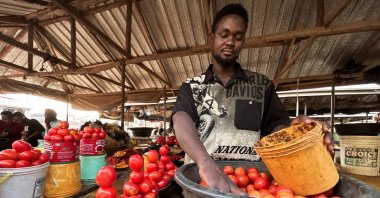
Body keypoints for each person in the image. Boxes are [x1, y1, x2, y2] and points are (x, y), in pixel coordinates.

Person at [171, 4, 333, 195]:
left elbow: (276, 127)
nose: (231, 42)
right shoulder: (192, 86)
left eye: (238, 37)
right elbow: (181, 119)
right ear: (211, 38)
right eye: (224, 35)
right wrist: (205, 162)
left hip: (251, 184)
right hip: (201, 183)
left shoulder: (262, 85)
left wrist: (294, 131)